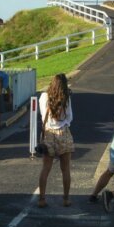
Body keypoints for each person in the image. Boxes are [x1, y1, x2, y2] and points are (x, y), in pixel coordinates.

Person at [37, 73, 74, 208]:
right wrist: (63, 123)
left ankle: (42, 199)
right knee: (65, 169)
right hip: (63, 132)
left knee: (46, 168)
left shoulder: (44, 97)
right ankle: (66, 199)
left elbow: (43, 115)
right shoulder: (66, 98)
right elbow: (70, 117)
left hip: (48, 133)